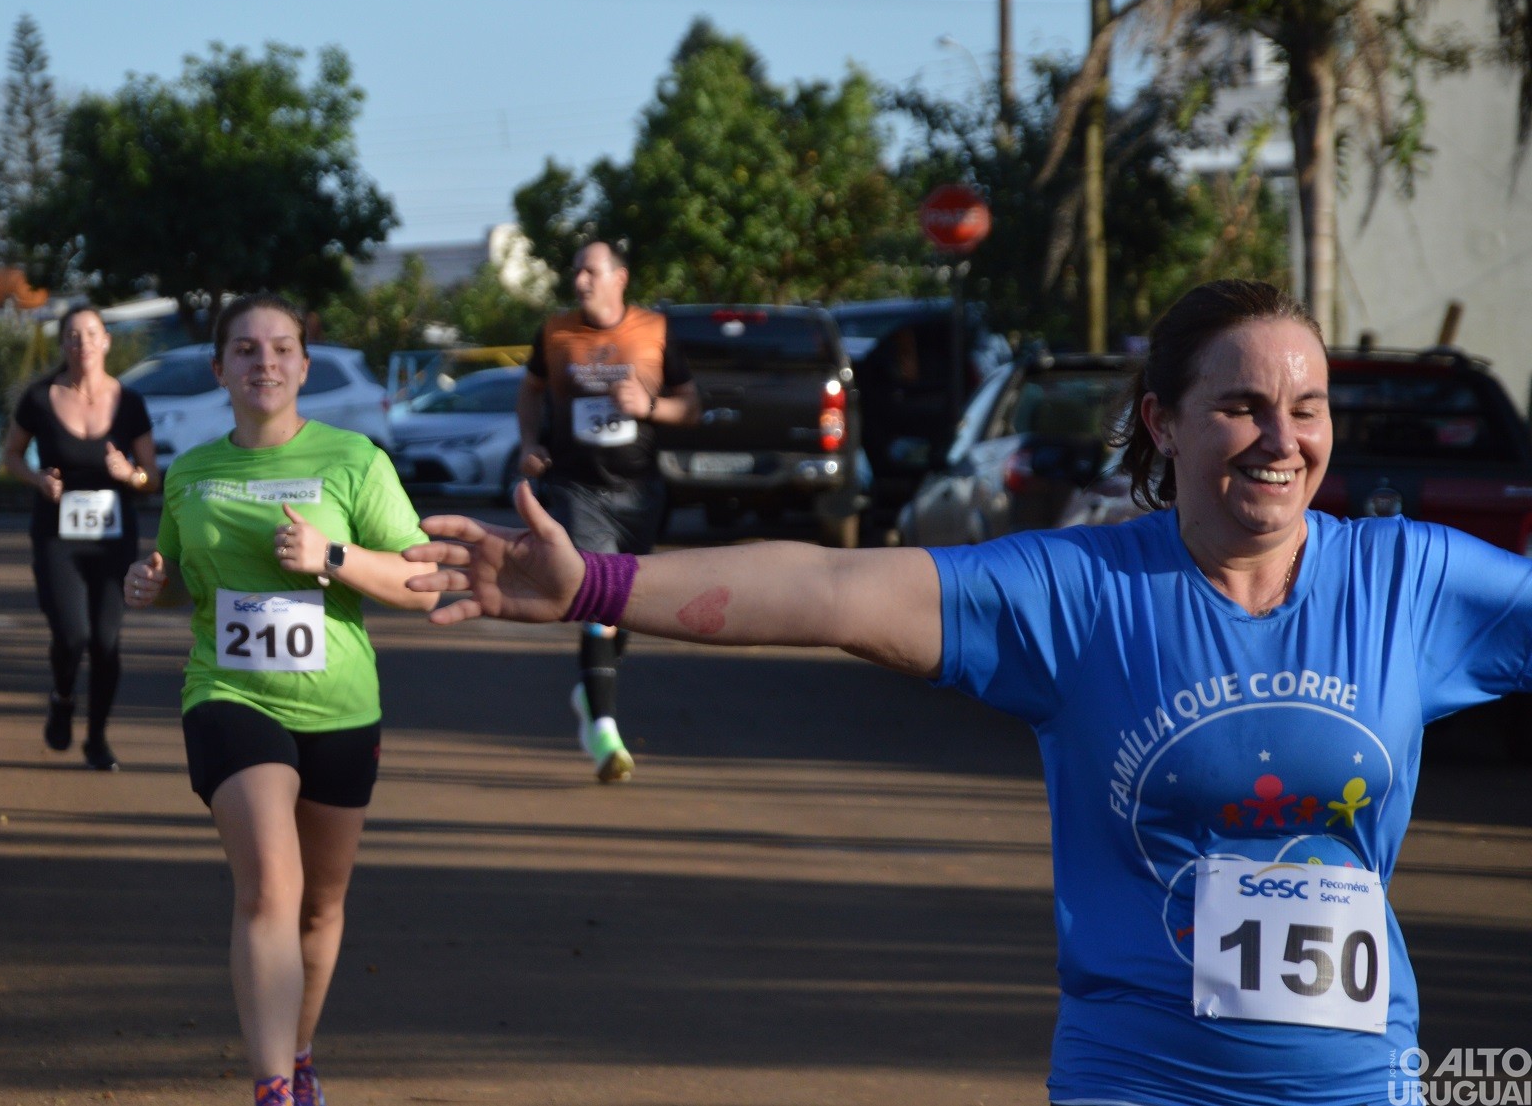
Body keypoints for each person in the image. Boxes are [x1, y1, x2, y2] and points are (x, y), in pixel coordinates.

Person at [408, 279, 1532, 1106]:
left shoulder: (1409, 582)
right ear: (1162, 421)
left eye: (1307, 406)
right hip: (1137, 1077)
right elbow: (831, 589)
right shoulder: (1078, 593)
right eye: (1240, 406)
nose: (1281, 439)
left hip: (1360, 1080)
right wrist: (593, 585)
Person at [125, 294, 441, 1106]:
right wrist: (152, 583)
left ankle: (298, 1052)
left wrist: (331, 555)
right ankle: (272, 1090)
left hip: (339, 706)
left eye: (280, 347)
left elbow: (425, 582)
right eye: (244, 349)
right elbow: (179, 581)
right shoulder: (192, 472)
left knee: (320, 907)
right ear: (219, 369)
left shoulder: (355, 459)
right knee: (270, 883)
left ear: (304, 365)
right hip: (228, 693)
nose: (263, 361)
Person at [516, 239, 699, 781]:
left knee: (626, 605)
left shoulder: (655, 331)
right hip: (577, 489)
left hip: (640, 492)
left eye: (591, 272)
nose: (580, 282)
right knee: (600, 604)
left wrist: (650, 406)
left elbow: (692, 406)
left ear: (620, 278)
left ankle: (591, 691)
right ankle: (604, 734)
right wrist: (530, 441)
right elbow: (530, 391)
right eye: (576, 272)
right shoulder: (555, 333)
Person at [3, 306, 156, 771]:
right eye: (73, 335)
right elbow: (11, 455)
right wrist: (38, 480)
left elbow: (152, 478)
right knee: (72, 636)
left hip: (114, 539)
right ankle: (63, 696)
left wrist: (129, 473)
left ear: (106, 340)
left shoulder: (130, 403)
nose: (82, 342)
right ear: (63, 344)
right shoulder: (38, 399)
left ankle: (98, 739)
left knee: (106, 642)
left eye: (91, 333)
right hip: (58, 538)